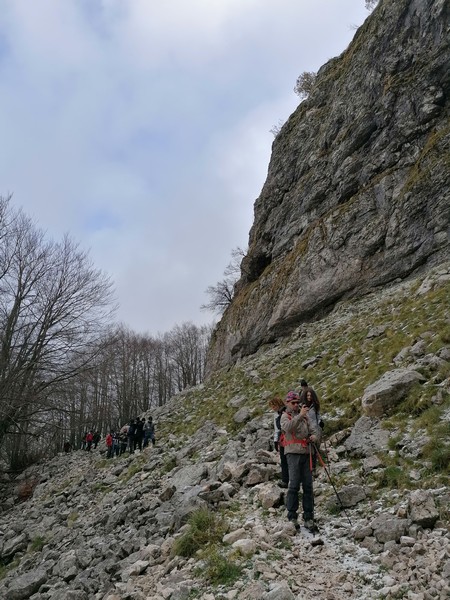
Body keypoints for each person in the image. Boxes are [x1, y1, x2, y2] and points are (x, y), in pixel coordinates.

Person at [280, 390, 319, 531]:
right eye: (293, 403)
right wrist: (300, 416)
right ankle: (292, 516)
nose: (296, 405)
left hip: (307, 453)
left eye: (297, 402)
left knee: (308, 486)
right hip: (293, 453)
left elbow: (314, 430)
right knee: (294, 485)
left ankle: (309, 517)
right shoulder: (285, 416)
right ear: (287, 403)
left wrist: (314, 437)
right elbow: (287, 428)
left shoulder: (305, 416)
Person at [299, 386, 323, 475]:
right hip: (306, 430)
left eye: (310, 395)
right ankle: (307, 469)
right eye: (307, 395)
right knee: (307, 450)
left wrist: (321, 422)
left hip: (316, 430)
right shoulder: (302, 407)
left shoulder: (315, 406)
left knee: (315, 449)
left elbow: (318, 416)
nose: (309, 397)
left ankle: (313, 468)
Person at [268, 397, 289, 488]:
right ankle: (285, 480)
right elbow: (276, 429)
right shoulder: (276, 414)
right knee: (283, 459)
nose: (273, 408)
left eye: (274, 406)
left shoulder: (286, 412)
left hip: (288, 437)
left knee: (289, 459)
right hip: (282, 438)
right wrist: (276, 441)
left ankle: (290, 479)